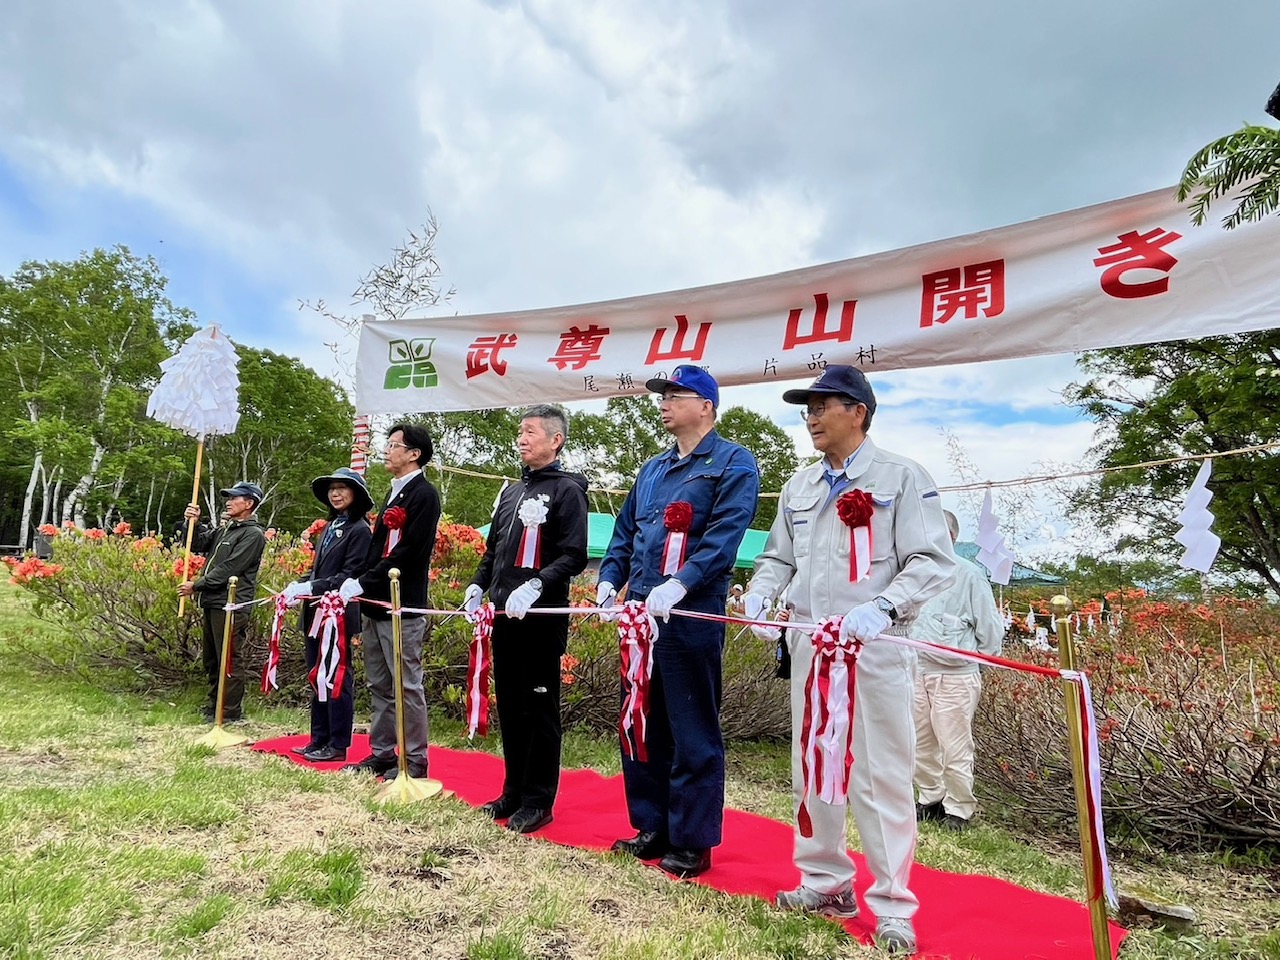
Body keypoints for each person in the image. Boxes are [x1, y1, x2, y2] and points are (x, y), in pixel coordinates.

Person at [745, 365, 955, 955]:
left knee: (879, 773)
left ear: (858, 411)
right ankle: (824, 881)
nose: (811, 418)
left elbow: (933, 560)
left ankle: (892, 904)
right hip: (812, 648)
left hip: (875, 648)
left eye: (822, 406)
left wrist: (884, 606)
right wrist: (761, 593)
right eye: (806, 408)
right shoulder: (799, 485)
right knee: (812, 765)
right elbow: (778, 557)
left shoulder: (901, 477)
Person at [597, 365, 760, 879]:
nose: (663, 403)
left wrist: (682, 582)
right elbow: (626, 531)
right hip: (642, 614)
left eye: (675, 395)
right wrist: (610, 579)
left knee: (691, 727)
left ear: (706, 406)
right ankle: (652, 825)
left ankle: (691, 840)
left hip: (690, 611)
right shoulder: (652, 469)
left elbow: (724, 536)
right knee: (642, 720)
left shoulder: (734, 462)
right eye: (662, 395)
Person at [463, 404, 589, 834]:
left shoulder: (568, 491)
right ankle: (513, 790)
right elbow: (493, 550)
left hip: (541, 617)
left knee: (538, 709)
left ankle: (539, 799)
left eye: (531, 431)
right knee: (512, 707)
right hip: (504, 615)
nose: (521, 438)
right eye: (520, 431)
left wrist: (538, 583)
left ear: (556, 440)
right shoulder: (512, 492)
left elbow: (574, 554)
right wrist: (478, 584)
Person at [338, 424, 442, 780]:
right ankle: (382, 752)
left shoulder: (424, 494)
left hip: (402, 603)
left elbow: (410, 551)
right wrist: (359, 582)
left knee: (405, 685)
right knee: (379, 684)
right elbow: (378, 546)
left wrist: (365, 580)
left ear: (414, 454)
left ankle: (414, 760)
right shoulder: (393, 492)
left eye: (395, 445)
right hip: (375, 603)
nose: (387, 450)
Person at [912, 510, 1005, 832]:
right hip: (915, 668)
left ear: (951, 536)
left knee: (954, 745)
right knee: (919, 741)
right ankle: (930, 797)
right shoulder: (912, 571)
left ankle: (959, 807)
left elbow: (990, 629)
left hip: (954, 674)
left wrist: (980, 662)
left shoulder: (969, 575)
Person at [282, 467, 375, 763]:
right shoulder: (330, 526)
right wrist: (299, 587)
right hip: (315, 612)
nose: (335, 493)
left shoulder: (360, 530)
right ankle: (318, 738)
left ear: (356, 494)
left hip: (338, 614)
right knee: (317, 675)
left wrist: (312, 587)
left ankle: (337, 744)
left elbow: (350, 574)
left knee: (336, 678)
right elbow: (318, 570)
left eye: (342, 488)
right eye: (332, 489)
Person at [180, 482, 268, 724]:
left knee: (228, 658)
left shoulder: (253, 534)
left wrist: (197, 585)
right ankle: (215, 705)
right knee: (212, 658)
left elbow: (231, 568)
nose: (228, 502)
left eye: (234, 498)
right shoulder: (226, 529)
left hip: (231, 604)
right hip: (213, 601)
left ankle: (229, 711)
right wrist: (192, 523)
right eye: (228, 498)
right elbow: (197, 544)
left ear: (249, 503)